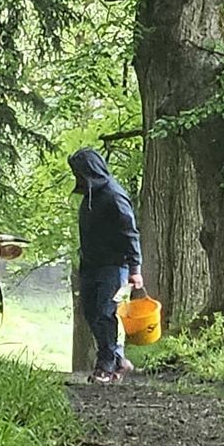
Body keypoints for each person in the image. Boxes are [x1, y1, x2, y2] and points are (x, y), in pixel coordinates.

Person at [69, 147, 144, 385]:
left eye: (79, 172)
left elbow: (130, 232)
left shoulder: (114, 195)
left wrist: (135, 269)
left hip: (114, 266)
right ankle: (118, 359)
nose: (77, 178)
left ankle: (106, 366)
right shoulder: (91, 196)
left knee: (105, 313)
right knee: (91, 312)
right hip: (91, 265)